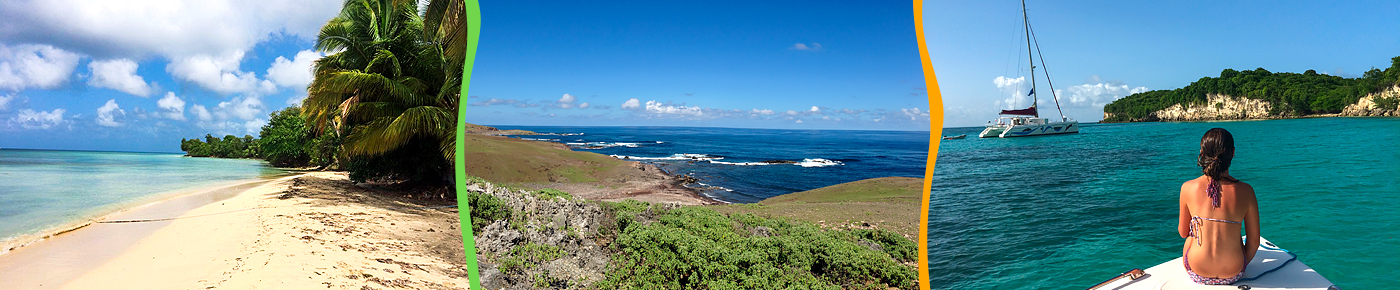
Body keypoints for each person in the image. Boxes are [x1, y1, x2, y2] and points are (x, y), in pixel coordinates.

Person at [1177, 128, 1260, 285]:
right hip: (1233, 273)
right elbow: (1254, 241)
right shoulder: (1246, 191)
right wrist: (1241, 264)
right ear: (1233, 152)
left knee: (1190, 235)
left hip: (1197, 271)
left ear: (1202, 153)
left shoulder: (1188, 187)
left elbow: (1183, 232)